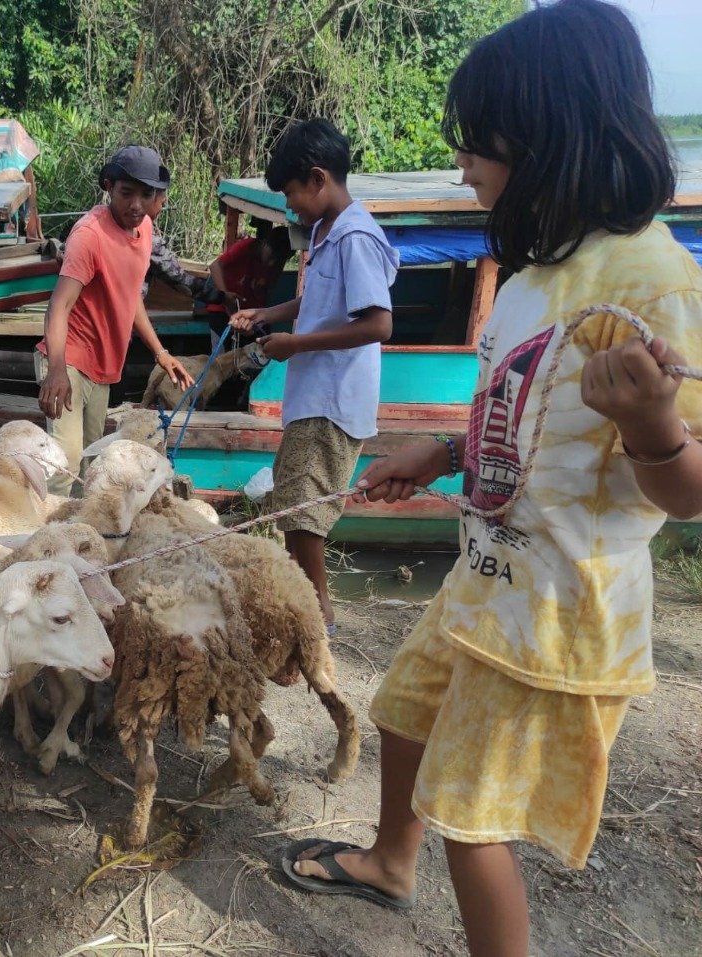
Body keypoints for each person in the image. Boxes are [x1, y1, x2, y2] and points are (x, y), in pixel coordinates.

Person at [274, 4, 702, 956]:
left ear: (551, 134)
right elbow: (526, 414)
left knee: (472, 821)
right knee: (402, 710)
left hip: (557, 611)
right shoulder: (530, 279)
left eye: (478, 145)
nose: (463, 166)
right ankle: (391, 860)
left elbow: (690, 489)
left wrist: (652, 423)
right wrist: (446, 452)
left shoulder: (653, 280)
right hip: (487, 575)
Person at [231, 119, 399, 632]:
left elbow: (378, 323)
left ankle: (315, 618)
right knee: (291, 502)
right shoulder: (327, 233)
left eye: (292, 194)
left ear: (319, 178)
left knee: (303, 511)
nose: (291, 207)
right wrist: (271, 314)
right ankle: (303, 614)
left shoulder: (356, 236)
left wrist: (293, 344)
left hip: (332, 400)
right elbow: (322, 301)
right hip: (312, 396)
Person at [37, 146, 195, 495]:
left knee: (92, 462)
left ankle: (78, 538)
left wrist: (161, 353)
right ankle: (43, 540)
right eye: (126, 193)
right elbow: (58, 307)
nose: (136, 204)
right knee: (65, 462)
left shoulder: (146, 229)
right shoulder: (89, 235)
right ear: (109, 187)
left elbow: (129, 298)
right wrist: (57, 370)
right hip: (70, 358)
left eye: (146, 195)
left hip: (104, 364)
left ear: (157, 197)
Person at [206, 219, 293, 337]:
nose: (272, 263)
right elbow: (215, 266)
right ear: (265, 243)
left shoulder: (276, 264)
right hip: (222, 310)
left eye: (278, 260)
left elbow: (266, 291)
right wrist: (225, 295)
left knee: (260, 346)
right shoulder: (246, 247)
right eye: (271, 256)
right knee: (222, 353)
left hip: (250, 315)